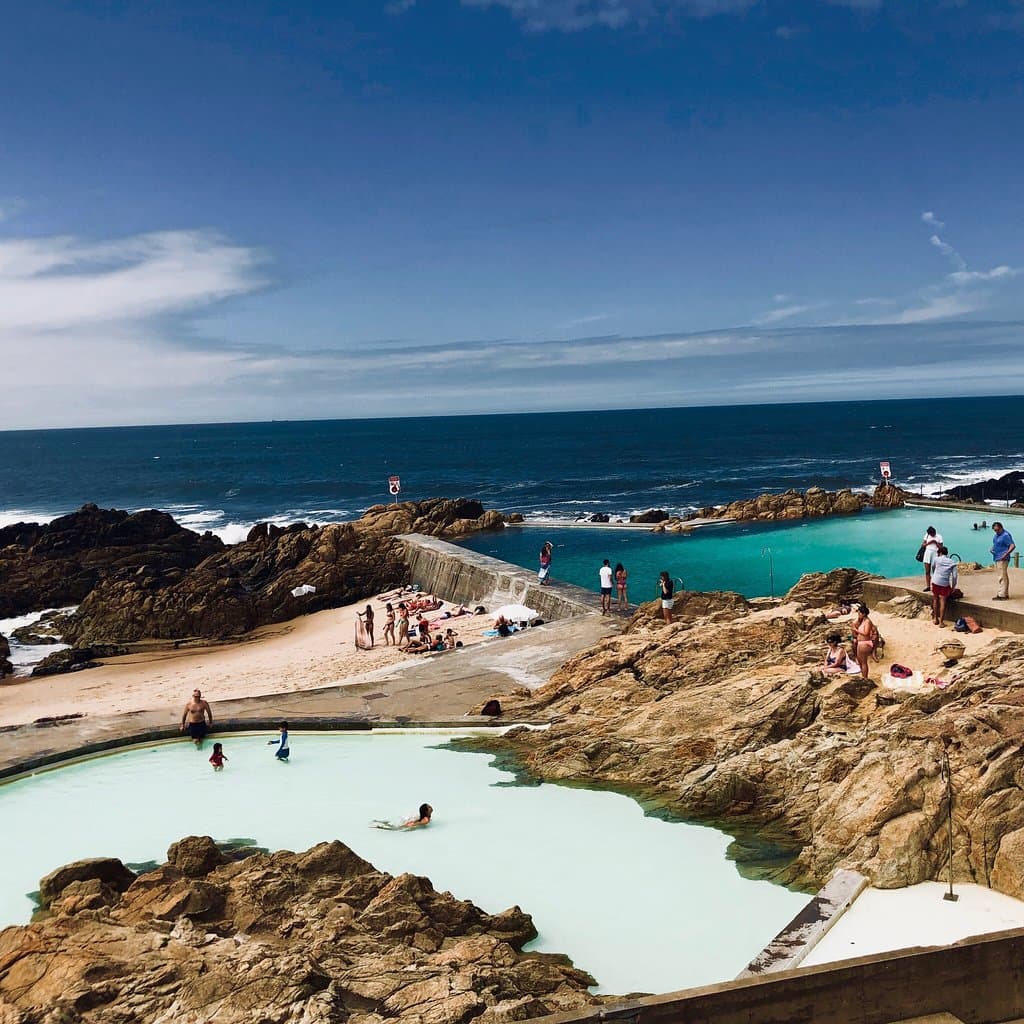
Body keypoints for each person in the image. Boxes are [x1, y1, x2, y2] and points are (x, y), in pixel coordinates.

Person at [930, 545, 959, 626]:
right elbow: (954, 576)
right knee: (943, 602)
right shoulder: (952, 562)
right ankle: (941, 622)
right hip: (944, 583)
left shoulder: (936, 559)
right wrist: (953, 587)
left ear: (940, 552)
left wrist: (934, 575)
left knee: (935, 599)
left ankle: (935, 619)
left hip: (935, 581)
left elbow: (933, 567)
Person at [851, 604, 879, 680]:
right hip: (861, 643)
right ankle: (863, 676)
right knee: (860, 661)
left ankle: (865, 678)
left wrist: (855, 630)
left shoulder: (867, 622)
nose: (858, 615)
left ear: (863, 614)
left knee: (863, 662)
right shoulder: (863, 621)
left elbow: (866, 633)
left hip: (865, 643)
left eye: (859, 613)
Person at [991, 521, 1017, 600]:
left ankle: (1002, 595)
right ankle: (1004, 593)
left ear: (1001, 528)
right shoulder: (997, 535)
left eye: (997, 530)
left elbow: (1012, 545)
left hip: (1003, 558)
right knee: (1003, 576)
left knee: (1002, 577)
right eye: (995, 530)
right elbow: (996, 544)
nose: (996, 531)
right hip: (997, 557)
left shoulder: (1005, 535)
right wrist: (992, 549)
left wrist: (1006, 554)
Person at [921, 526, 942, 591]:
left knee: (935, 571)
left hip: (935, 554)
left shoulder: (939, 536)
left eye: (934, 533)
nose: (933, 534)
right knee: (927, 571)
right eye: (932, 534)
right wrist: (929, 542)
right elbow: (923, 545)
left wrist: (935, 542)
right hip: (927, 554)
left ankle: (935, 586)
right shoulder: (926, 536)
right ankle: (928, 586)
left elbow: (941, 548)